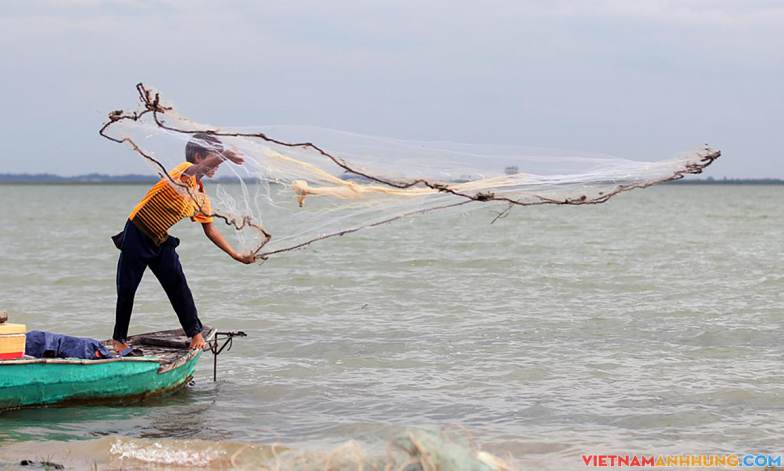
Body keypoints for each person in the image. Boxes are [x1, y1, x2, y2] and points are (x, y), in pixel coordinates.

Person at [111, 133, 255, 353]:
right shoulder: (184, 171)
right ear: (199, 156)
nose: (217, 165)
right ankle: (118, 339)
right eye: (214, 158)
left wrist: (236, 255)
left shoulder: (201, 196)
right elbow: (193, 171)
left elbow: (210, 229)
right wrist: (225, 155)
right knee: (127, 287)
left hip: (160, 238)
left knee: (178, 284)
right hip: (137, 232)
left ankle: (195, 333)